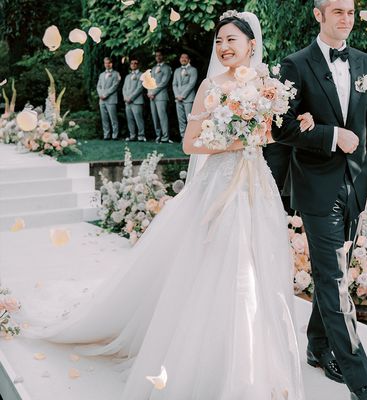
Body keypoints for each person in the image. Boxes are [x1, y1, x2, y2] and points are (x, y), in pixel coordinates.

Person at [21, 11, 307, 400]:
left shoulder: (267, 85)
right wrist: (235, 140)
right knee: (219, 263)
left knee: (257, 264)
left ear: (251, 45)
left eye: (231, 41)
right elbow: (191, 143)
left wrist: (279, 127)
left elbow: (270, 132)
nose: (223, 48)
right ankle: (210, 360)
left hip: (256, 184)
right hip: (219, 184)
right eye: (219, 41)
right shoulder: (210, 84)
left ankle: (257, 360)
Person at [272, 1, 367, 400]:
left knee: (335, 267)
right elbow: (281, 127)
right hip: (316, 186)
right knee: (334, 277)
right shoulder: (295, 64)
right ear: (319, 15)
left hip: (356, 186)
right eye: (337, 11)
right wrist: (331, 136)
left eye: (350, 12)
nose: (346, 18)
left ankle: (316, 344)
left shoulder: (365, 62)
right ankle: (362, 384)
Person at [148, 50, 173, 143]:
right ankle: (158, 136)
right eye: (156, 56)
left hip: (161, 96)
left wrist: (153, 92)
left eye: (159, 55)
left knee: (162, 117)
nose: (158, 57)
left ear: (163, 56)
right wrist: (149, 92)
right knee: (155, 117)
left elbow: (164, 82)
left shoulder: (166, 68)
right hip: (152, 97)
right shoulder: (153, 68)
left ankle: (165, 136)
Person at [172, 53, 198, 139]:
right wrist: (177, 95)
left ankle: (191, 138)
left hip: (188, 98)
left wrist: (182, 95)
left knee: (189, 119)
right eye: (181, 57)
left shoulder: (193, 70)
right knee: (181, 119)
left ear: (189, 60)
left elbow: (191, 84)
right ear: (179, 59)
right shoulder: (177, 71)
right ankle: (183, 138)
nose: (183, 59)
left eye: (185, 58)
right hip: (177, 99)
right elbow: (174, 84)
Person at [122, 57, 146, 142]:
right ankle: (132, 135)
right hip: (127, 102)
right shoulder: (128, 76)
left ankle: (141, 135)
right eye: (132, 63)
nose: (133, 65)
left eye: (135, 63)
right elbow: (124, 88)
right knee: (130, 119)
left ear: (138, 65)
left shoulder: (141, 75)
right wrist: (125, 97)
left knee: (138, 118)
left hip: (136, 101)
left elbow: (140, 88)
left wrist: (131, 98)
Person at [96, 57, 120, 140]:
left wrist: (106, 94)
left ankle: (115, 135)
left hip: (111, 99)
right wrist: (100, 94)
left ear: (111, 64)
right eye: (105, 63)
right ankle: (106, 135)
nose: (107, 64)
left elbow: (115, 86)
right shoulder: (101, 75)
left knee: (113, 118)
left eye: (108, 63)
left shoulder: (115, 74)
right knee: (104, 118)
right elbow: (98, 86)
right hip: (101, 100)